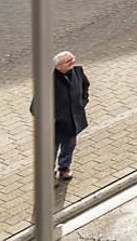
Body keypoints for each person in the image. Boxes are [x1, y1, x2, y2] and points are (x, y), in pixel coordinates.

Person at [31, 51, 89, 181]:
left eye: (73, 60)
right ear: (58, 66)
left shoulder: (78, 72)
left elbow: (85, 86)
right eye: (68, 62)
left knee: (69, 146)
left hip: (72, 122)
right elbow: (35, 108)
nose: (72, 64)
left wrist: (82, 102)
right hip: (55, 127)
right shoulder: (47, 82)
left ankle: (64, 168)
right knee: (50, 152)